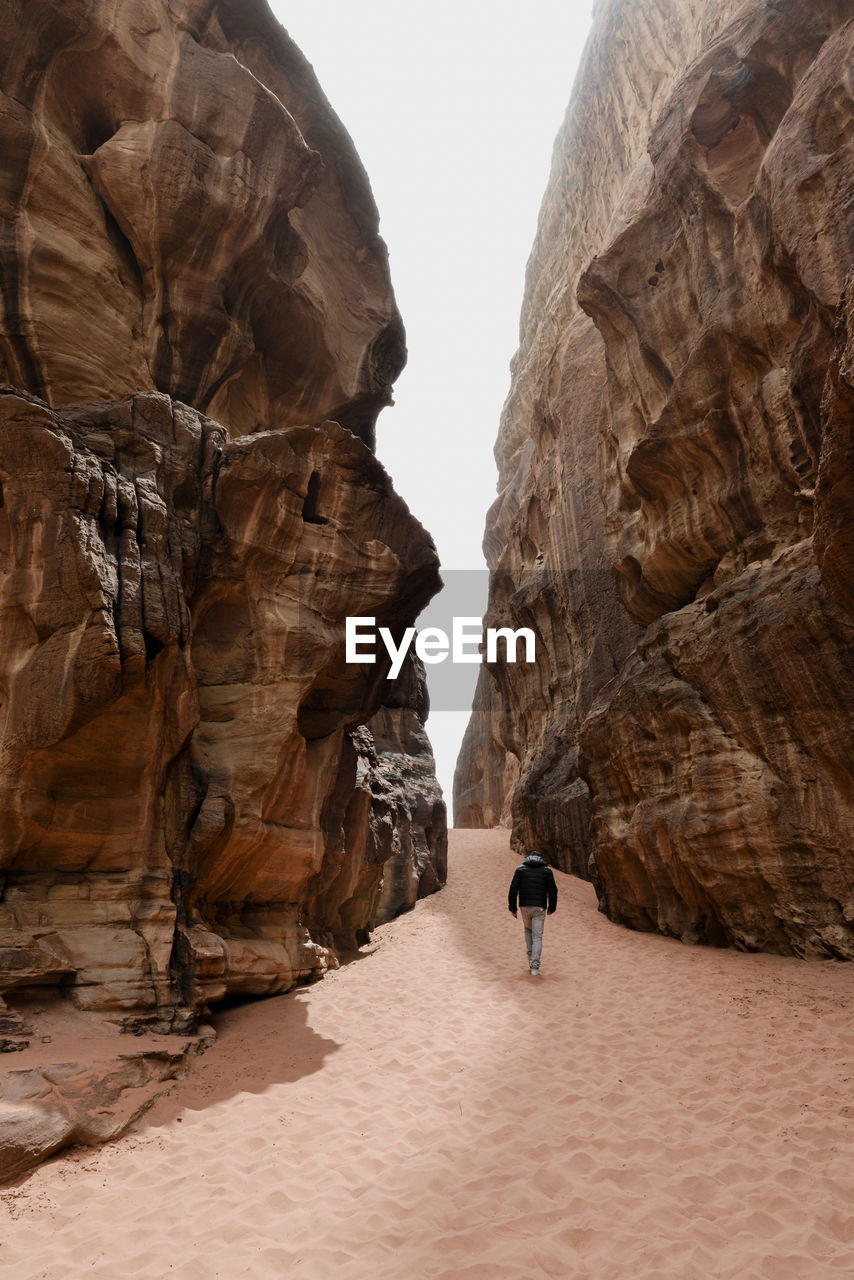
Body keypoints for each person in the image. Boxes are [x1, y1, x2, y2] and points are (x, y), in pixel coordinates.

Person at [508, 850, 558, 976]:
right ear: (540, 859)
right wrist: (552, 908)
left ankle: (531, 956)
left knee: (527, 929)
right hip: (539, 908)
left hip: (524, 906)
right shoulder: (547, 871)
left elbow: (513, 889)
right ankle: (534, 967)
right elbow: (553, 891)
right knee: (537, 936)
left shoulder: (520, 870)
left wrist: (512, 908)